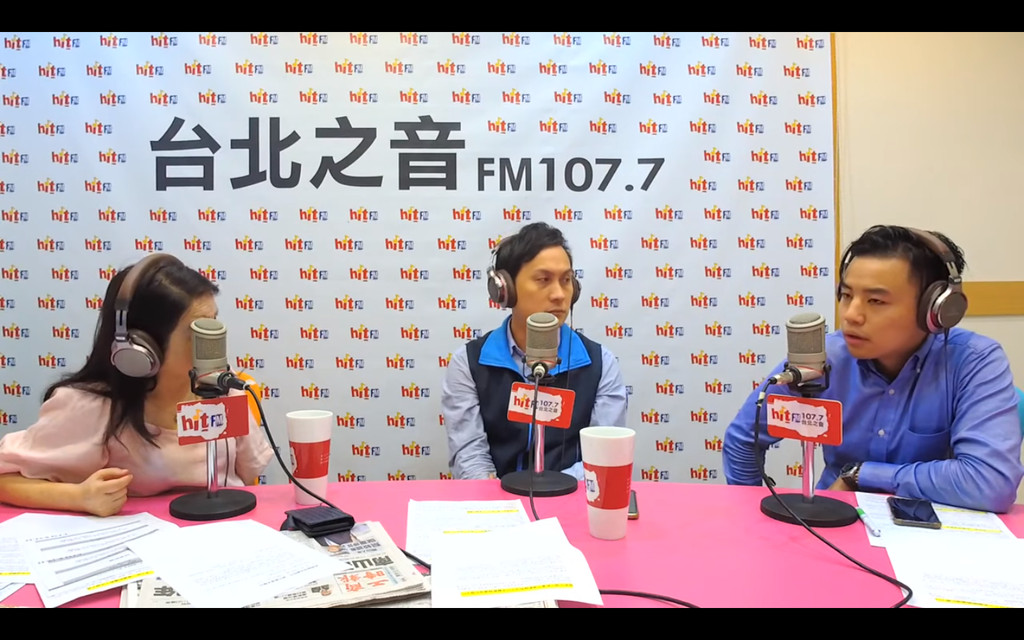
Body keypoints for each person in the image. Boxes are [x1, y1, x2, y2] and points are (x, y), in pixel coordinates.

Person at [724, 225, 1024, 513]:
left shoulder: (974, 361)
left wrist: (863, 475)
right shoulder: (822, 360)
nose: (851, 315)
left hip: (930, 530)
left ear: (936, 310)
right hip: (835, 523)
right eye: (846, 296)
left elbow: (990, 483)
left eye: (876, 301)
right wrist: (750, 517)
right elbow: (743, 441)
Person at [0, 253, 273, 517]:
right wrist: (78, 497)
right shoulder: (90, 405)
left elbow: (248, 474)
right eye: (196, 332)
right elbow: (6, 478)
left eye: (213, 325)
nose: (213, 344)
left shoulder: (224, 388)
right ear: (141, 345)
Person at [442, 222, 629, 480]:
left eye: (566, 280)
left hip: (571, 497)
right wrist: (502, 499)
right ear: (505, 290)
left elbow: (602, 457)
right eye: (543, 280)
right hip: (497, 500)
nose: (559, 295)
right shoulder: (469, 364)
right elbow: (469, 457)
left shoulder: (600, 364)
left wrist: (552, 493)